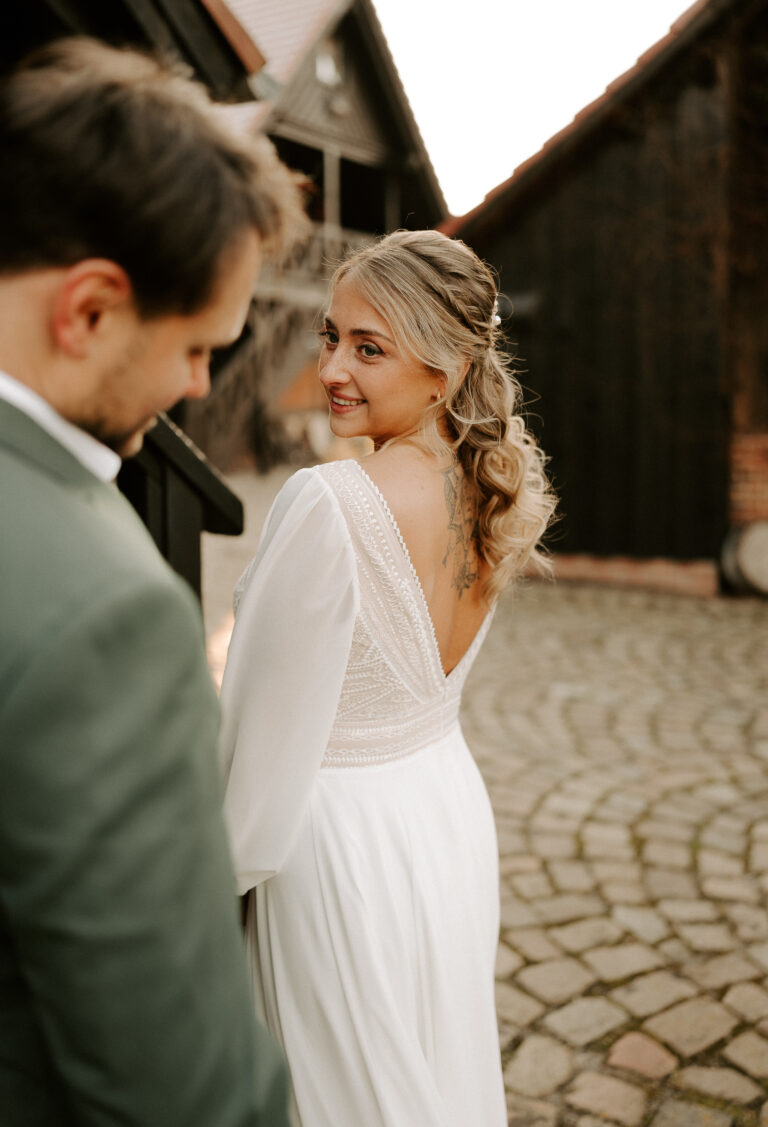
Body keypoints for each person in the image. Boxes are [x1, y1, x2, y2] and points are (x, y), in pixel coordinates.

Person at [0, 38, 307, 1127]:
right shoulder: (105, 610)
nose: (195, 385)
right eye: (197, 347)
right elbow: (184, 1086)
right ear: (87, 310)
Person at [220, 229, 557, 1126]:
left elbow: (256, 752)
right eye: (332, 337)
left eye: (370, 348)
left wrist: (208, 888)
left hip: (335, 848)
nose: (333, 367)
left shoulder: (331, 503)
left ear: (444, 368)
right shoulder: (488, 490)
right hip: (441, 814)